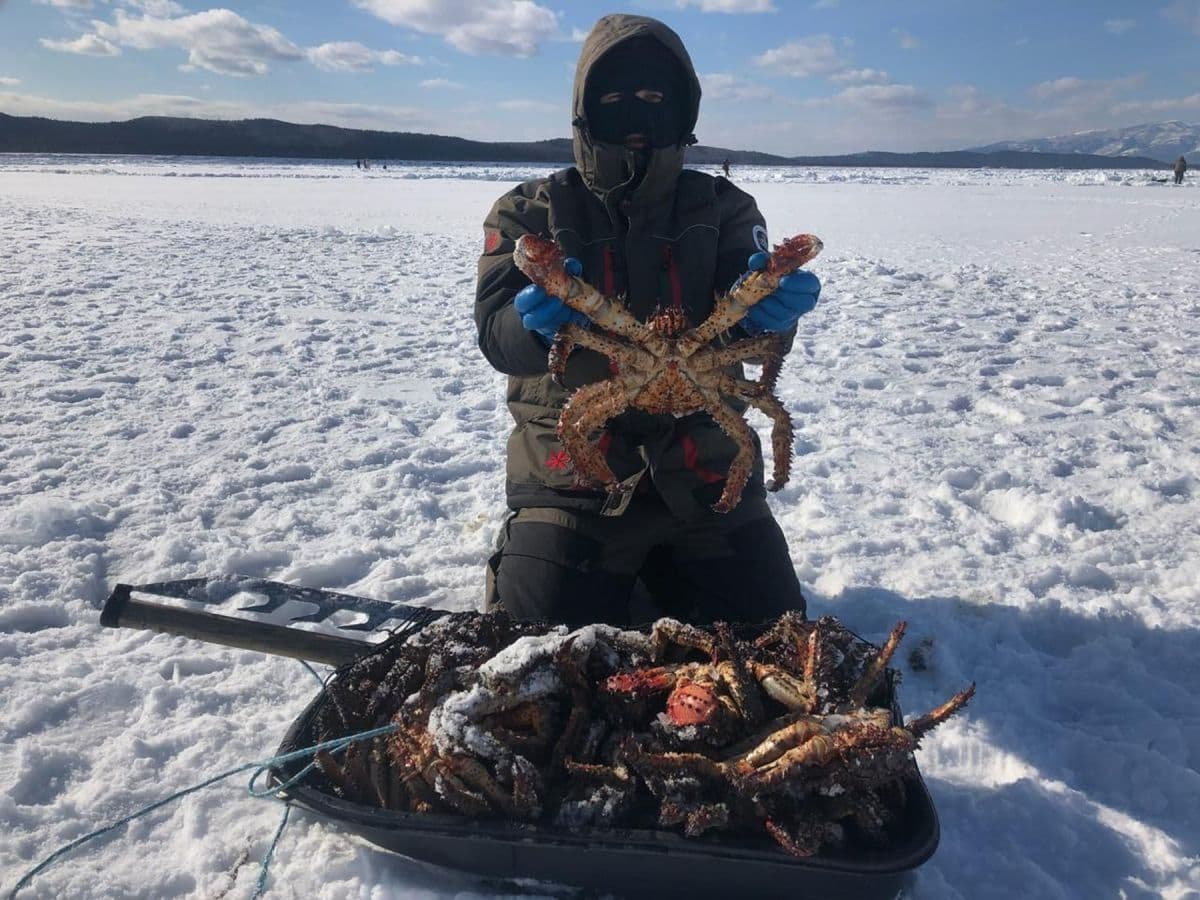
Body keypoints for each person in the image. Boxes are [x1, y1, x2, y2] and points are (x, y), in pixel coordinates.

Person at [474, 14, 821, 629]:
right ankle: (595, 547)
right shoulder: (530, 209)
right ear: (584, 110)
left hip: (705, 470)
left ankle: (682, 559)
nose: (635, 114)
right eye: (613, 99)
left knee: (773, 638)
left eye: (655, 98)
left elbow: (758, 333)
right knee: (536, 641)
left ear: (683, 110)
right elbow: (498, 336)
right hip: (575, 479)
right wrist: (533, 328)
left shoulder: (724, 207)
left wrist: (770, 317)